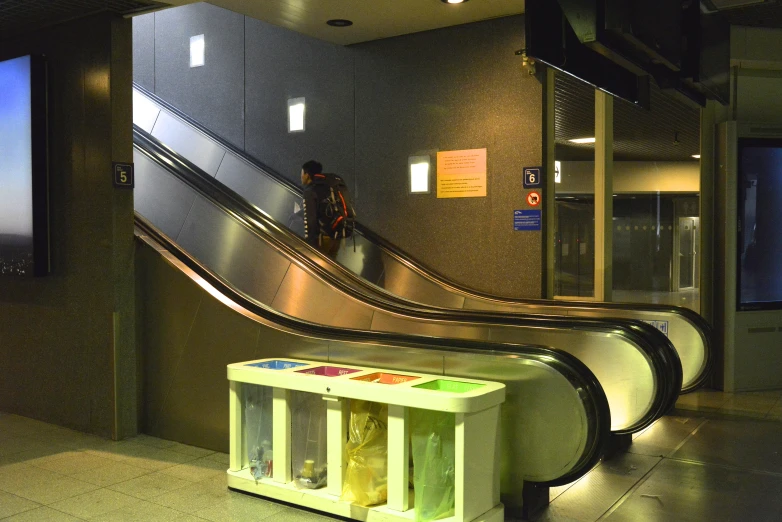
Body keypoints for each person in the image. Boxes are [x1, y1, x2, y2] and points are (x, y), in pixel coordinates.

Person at [301, 160, 342, 258]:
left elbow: (311, 220)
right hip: (336, 237)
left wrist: (310, 245)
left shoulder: (310, 191)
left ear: (307, 175)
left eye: (302, 173)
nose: (301, 176)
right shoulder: (325, 187)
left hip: (323, 239)